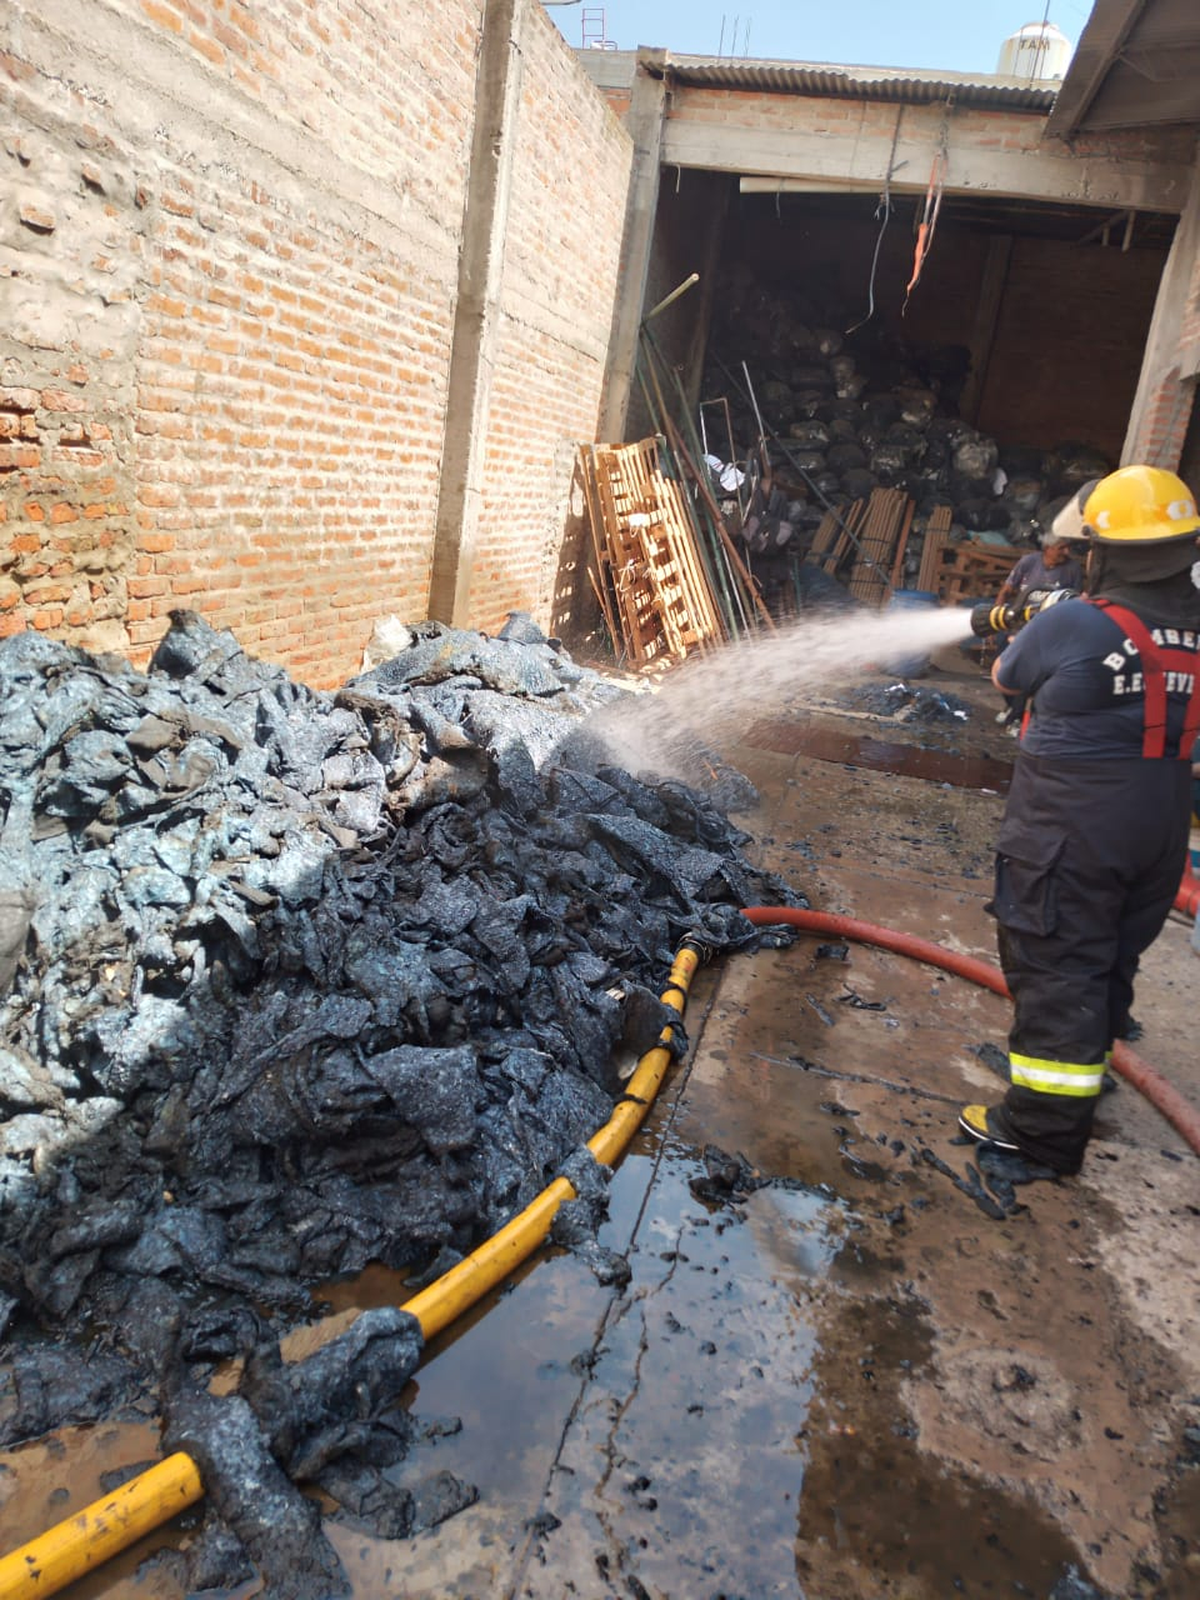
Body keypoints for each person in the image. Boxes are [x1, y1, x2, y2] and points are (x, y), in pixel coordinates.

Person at [959, 464, 1200, 1174]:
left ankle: (1039, 1133)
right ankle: (1079, 1080)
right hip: (1160, 830)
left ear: (1104, 552)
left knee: (1058, 969)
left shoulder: (1073, 622)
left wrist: (1050, 622)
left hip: (1071, 832)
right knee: (1107, 962)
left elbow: (1005, 678)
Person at [990, 491, 1092, 733]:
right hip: (1018, 626)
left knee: (1032, 677)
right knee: (1004, 668)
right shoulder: (1028, 563)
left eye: (1067, 548)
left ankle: (1017, 717)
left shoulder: (1072, 570)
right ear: (1048, 547)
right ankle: (1011, 708)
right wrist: (996, 619)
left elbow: (1076, 602)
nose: (1066, 552)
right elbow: (1007, 591)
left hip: (1048, 634)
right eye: (1061, 548)